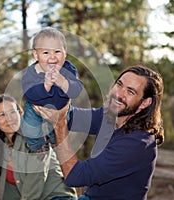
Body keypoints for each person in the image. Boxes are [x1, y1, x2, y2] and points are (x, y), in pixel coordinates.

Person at [35, 65, 164, 199]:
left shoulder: (138, 143)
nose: (119, 94)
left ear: (145, 103)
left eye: (130, 92)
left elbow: (75, 177)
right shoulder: (109, 118)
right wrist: (52, 87)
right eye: (119, 84)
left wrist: (60, 125)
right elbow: (70, 116)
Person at [0, 94, 77, 200]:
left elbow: (36, 178)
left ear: (20, 113)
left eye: (12, 112)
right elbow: (10, 191)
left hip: (57, 197)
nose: (9, 119)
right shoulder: (3, 147)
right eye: (2, 114)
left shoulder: (33, 137)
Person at [21, 27, 83, 153]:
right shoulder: (32, 72)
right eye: (46, 53)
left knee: (59, 130)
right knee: (29, 129)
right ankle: (37, 147)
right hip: (36, 108)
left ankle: (55, 143)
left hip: (60, 109)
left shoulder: (68, 69)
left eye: (57, 51)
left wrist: (63, 82)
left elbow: (76, 90)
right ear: (35, 54)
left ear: (65, 52)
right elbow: (28, 93)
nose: (52, 57)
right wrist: (45, 86)